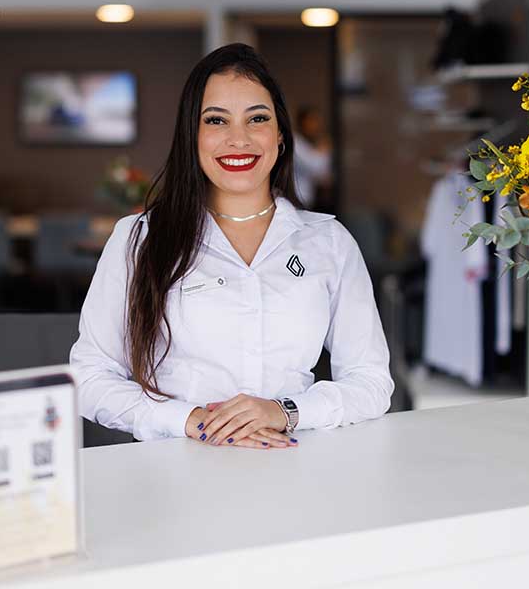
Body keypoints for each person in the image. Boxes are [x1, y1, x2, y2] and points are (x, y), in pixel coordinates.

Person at [70, 44, 393, 448]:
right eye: (216, 120)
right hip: (175, 472)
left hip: (295, 466)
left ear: (280, 135)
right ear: (193, 135)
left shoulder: (328, 242)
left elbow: (371, 382)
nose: (238, 139)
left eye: (257, 118)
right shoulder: (140, 238)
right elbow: (90, 375)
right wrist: (190, 420)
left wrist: (284, 411)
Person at [292, 105, 332, 208]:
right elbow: (315, 168)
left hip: (306, 198)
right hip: (296, 198)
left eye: (317, 121)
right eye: (311, 121)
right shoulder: (295, 142)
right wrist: (323, 151)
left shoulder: (308, 144)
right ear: (302, 122)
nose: (315, 125)